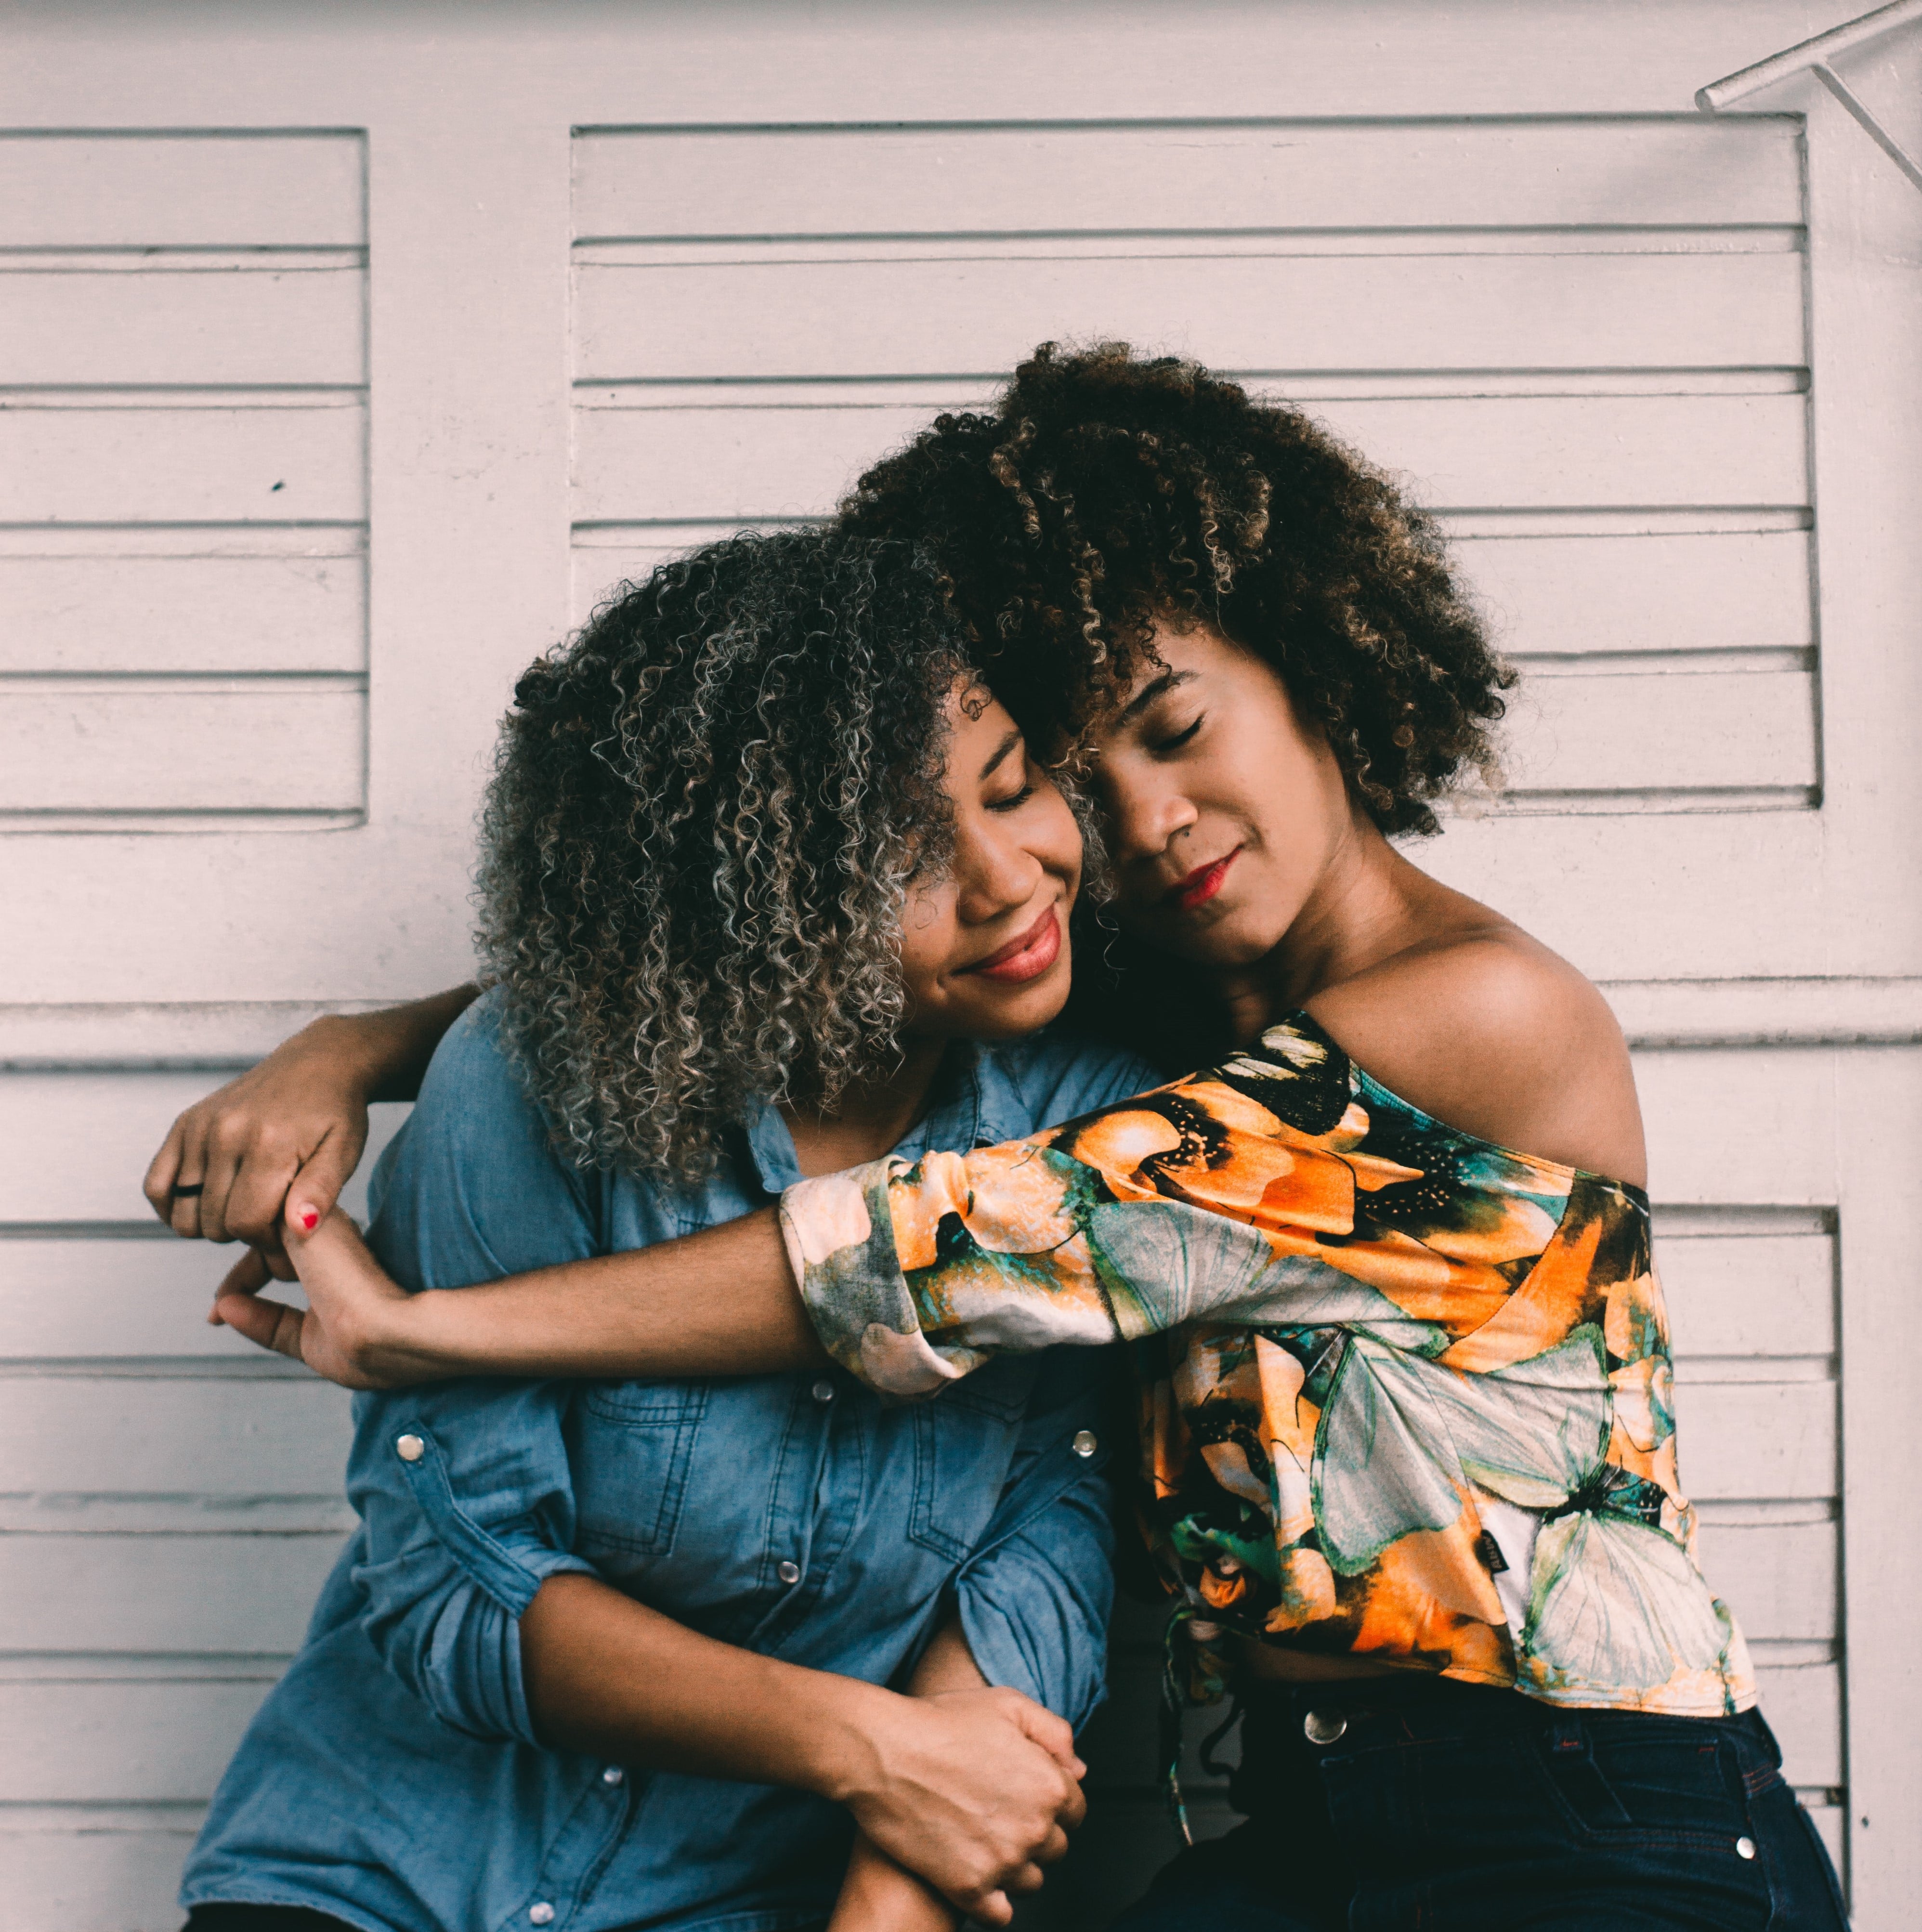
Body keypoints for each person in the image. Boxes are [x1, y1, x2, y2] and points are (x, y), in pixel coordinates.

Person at [155, 347, 1848, 1930]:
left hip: (1593, 1811)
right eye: (1078, 778)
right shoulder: (1173, 1031)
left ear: (1311, 651)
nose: (1149, 822)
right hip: (1301, 1832)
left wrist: (429, 1329)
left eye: (1178, 730)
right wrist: (357, 1044)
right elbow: (721, 951)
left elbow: (962, 1254)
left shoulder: (1476, 1013)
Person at [164, 529, 1162, 1932]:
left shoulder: (1105, 1132)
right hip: (382, 1870)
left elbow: (1039, 1549)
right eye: (899, 865)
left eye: (1014, 788)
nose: (1008, 879)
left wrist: (899, 1877)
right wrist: (868, 1749)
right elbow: (460, 1584)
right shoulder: (528, 1092)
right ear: (750, 904)